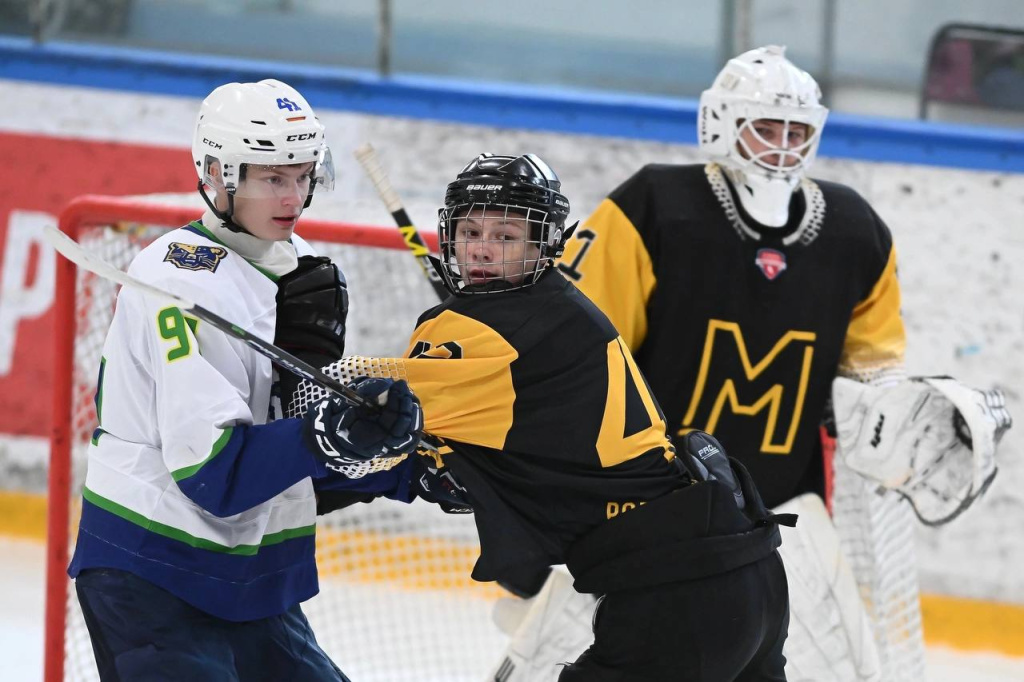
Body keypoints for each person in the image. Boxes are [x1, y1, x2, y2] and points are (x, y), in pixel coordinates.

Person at [550, 44, 1009, 682]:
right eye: (766, 126)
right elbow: (584, 348)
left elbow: (872, 369)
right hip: (655, 511)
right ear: (721, 124)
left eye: (798, 130)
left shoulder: (856, 231)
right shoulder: (654, 206)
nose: (784, 145)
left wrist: (896, 415)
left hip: (783, 517)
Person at [292, 152, 794, 681]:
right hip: (750, 572)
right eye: (470, 231)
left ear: (543, 243)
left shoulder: (468, 330)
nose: (482, 247)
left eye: (506, 236)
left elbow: (369, 413)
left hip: (677, 596)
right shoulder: (564, 307)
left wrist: (300, 396)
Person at [67, 78, 426, 682]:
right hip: (153, 575)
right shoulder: (181, 282)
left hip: (244, 577)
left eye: (303, 175)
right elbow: (215, 473)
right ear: (216, 173)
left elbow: (288, 460)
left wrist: (402, 465)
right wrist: (326, 436)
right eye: (272, 178)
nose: (294, 196)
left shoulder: (289, 260)